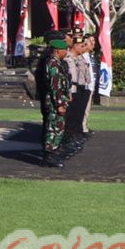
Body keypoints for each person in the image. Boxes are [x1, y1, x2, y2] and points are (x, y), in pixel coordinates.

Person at [40, 36, 73, 168]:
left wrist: (66, 95)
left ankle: (53, 152)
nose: (66, 52)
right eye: (65, 50)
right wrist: (60, 103)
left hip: (58, 98)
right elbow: (55, 86)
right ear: (58, 51)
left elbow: (61, 84)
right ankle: (50, 155)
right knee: (54, 127)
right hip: (54, 101)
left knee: (58, 127)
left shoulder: (57, 63)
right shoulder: (53, 64)